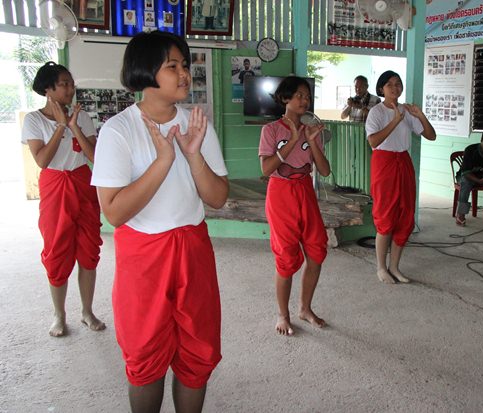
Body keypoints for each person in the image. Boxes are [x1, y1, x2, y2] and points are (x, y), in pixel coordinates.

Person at [91, 31, 229, 411]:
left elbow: (217, 198)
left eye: (185, 65)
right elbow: (115, 212)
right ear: (146, 72)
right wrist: (164, 161)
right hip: (144, 256)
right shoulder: (118, 130)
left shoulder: (197, 124)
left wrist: (193, 155)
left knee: (198, 351)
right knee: (145, 355)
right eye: (173, 66)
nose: (185, 73)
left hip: (193, 249)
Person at [21, 62, 105, 337]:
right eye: (64, 84)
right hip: (55, 186)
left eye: (71, 83)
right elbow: (43, 160)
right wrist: (59, 127)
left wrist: (74, 126)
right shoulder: (33, 120)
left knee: (89, 250)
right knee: (57, 251)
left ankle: (87, 311)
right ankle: (59, 315)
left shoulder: (82, 117)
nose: (71, 89)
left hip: (82, 182)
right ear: (48, 89)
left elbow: (94, 158)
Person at [258, 76, 330, 336]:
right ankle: (283, 314)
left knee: (316, 250)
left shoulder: (313, 131)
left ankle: (305, 308)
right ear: (285, 98)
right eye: (299, 95)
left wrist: (310, 140)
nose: (304, 100)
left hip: (305, 193)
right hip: (280, 195)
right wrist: (293, 140)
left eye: (307, 96)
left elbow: (324, 170)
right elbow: (266, 169)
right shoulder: (271, 130)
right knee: (286, 256)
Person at [365, 70, 436, 284]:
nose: (395, 88)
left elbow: (431, 136)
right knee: (385, 215)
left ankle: (395, 267)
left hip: (403, 162)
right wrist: (396, 121)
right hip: (383, 164)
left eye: (398, 84)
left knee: (405, 215)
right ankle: (381, 267)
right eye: (390, 84)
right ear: (381, 89)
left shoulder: (407, 110)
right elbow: (374, 142)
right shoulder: (376, 112)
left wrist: (420, 114)